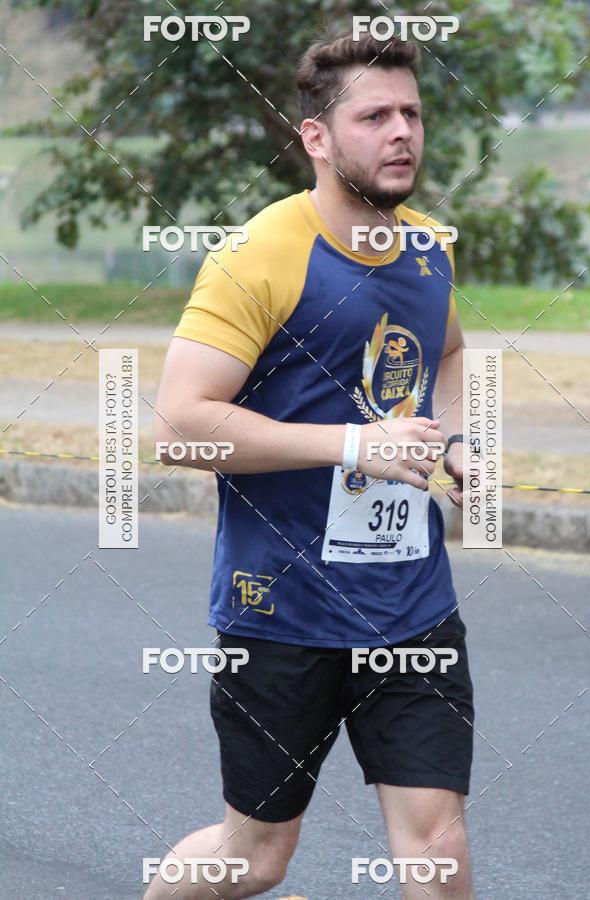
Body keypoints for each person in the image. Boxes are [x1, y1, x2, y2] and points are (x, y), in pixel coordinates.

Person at [146, 24, 474, 900]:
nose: (402, 132)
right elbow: (178, 426)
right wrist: (357, 445)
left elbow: (447, 352)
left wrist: (458, 440)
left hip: (411, 607)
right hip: (281, 611)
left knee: (437, 849)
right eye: (375, 117)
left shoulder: (427, 247)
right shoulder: (260, 254)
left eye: (411, 113)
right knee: (255, 858)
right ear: (317, 138)